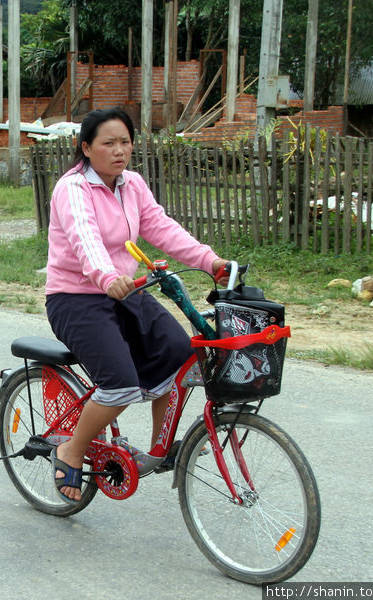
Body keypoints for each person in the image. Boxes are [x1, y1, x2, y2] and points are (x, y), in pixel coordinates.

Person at [45, 108, 229, 504]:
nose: (119, 151)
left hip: (126, 291)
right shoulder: (72, 188)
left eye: (125, 142)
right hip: (76, 299)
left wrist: (209, 261)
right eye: (108, 143)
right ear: (86, 148)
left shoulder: (132, 184)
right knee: (120, 386)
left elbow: (162, 227)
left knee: (181, 354)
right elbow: (85, 239)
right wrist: (107, 277)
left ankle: (159, 450)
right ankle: (71, 450)